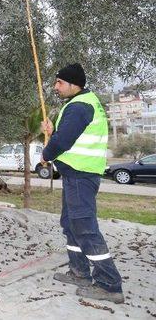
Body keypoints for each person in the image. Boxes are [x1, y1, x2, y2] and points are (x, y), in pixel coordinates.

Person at [41, 63, 124, 304]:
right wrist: (53, 129)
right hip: (75, 174)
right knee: (70, 224)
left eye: (59, 83)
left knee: (85, 228)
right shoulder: (81, 103)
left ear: (73, 84)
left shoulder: (79, 106)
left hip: (81, 175)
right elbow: (68, 135)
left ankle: (109, 285)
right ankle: (80, 272)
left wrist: (46, 153)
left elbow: (63, 142)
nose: (55, 87)